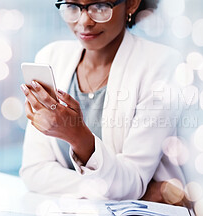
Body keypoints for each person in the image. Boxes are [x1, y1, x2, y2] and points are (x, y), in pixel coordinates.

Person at [19, 0, 188, 205]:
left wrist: (78, 137)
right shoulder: (51, 57)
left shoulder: (162, 64)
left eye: (99, 7)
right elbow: (34, 173)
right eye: (72, 7)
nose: (84, 21)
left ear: (132, 4)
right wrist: (135, 192)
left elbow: (133, 180)